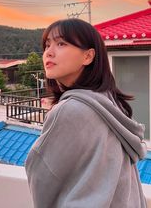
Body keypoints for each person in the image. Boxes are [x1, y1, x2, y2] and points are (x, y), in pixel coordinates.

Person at [25, 18, 147, 208]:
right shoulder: (111, 103)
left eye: (61, 43)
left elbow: (42, 178)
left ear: (88, 56)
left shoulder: (70, 110)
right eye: (47, 45)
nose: (49, 52)